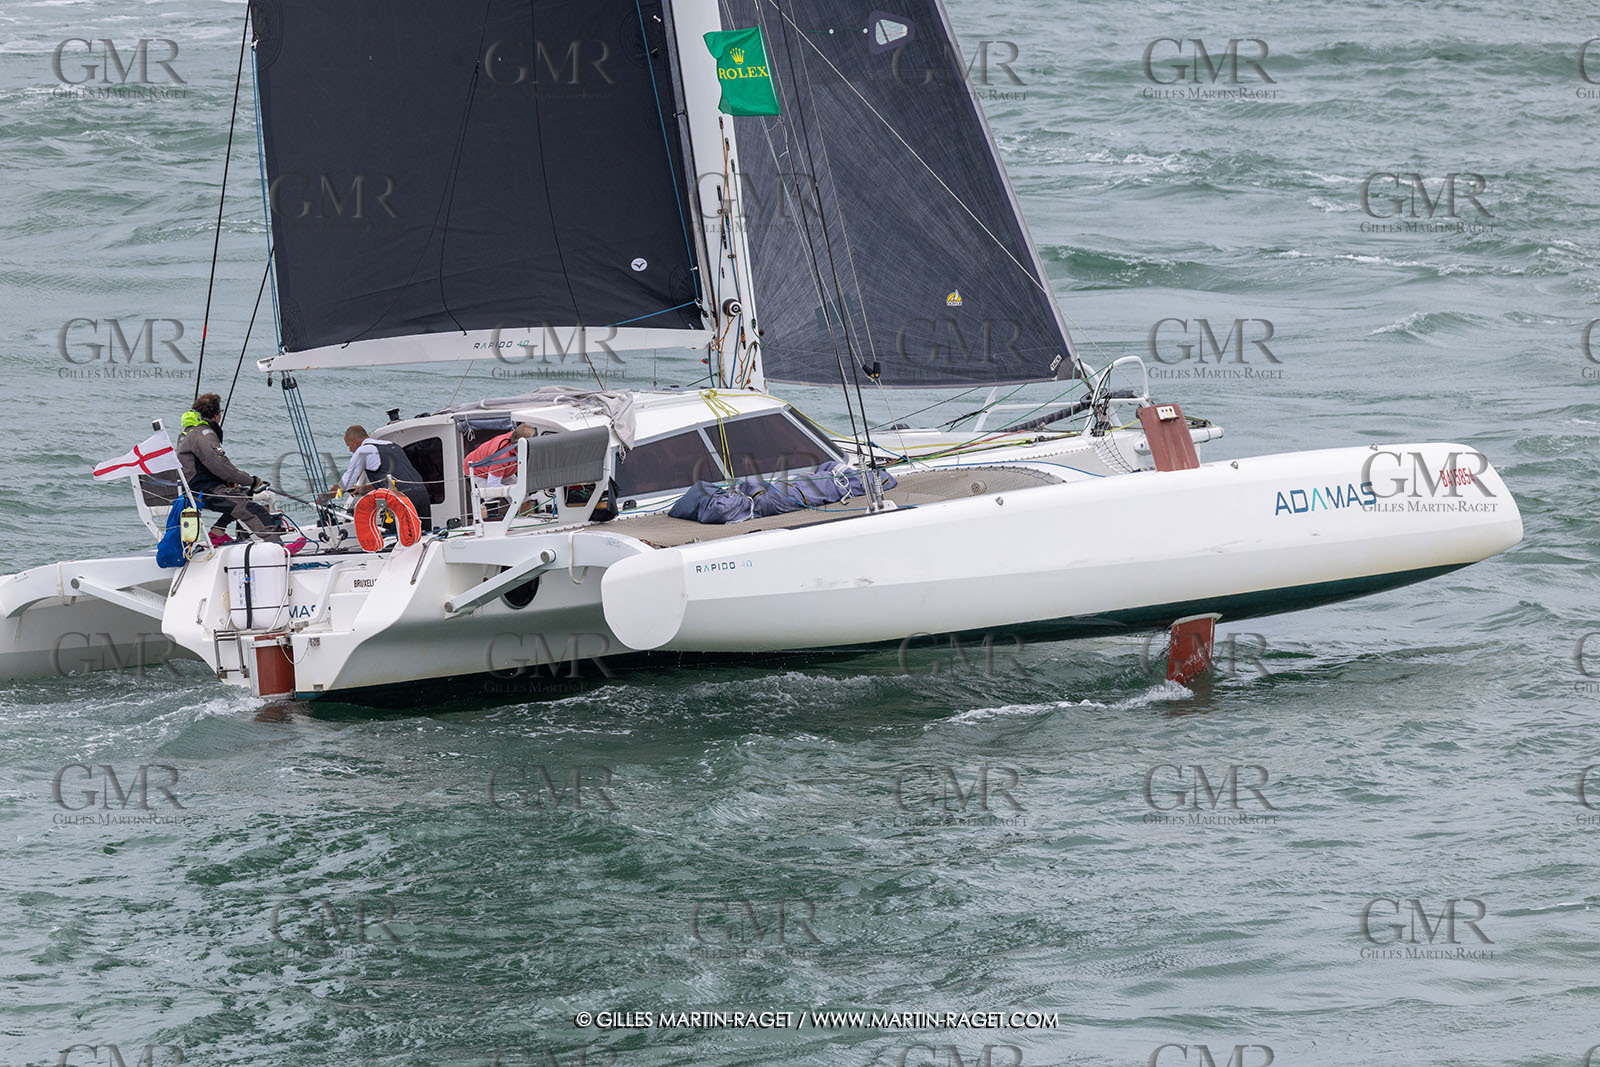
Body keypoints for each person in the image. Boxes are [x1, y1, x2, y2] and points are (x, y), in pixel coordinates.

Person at [176, 393, 286, 544]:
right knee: (253, 510)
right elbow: (222, 467)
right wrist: (252, 481)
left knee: (244, 494)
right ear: (216, 415)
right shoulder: (203, 434)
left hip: (196, 489)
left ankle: (218, 531)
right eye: (220, 412)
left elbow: (205, 465)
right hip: (205, 492)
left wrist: (232, 482)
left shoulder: (189, 430)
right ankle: (277, 546)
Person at [332, 426, 433, 530]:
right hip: (422, 494)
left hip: (400, 499)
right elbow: (393, 478)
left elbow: (346, 483)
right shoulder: (393, 446)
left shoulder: (364, 450)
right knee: (423, 536)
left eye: (349, 446)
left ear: (354, 441)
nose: (350, 450)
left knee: (393, 539)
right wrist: (363, 489)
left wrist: (323, 498)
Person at [463, 424, 537, 485]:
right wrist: (513, 491)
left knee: (523, 498)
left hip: (505, 471)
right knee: (492, 499)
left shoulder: (516, 435)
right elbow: (493, 484)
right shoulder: (502, 456)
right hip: (477, 471)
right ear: (520, 443)